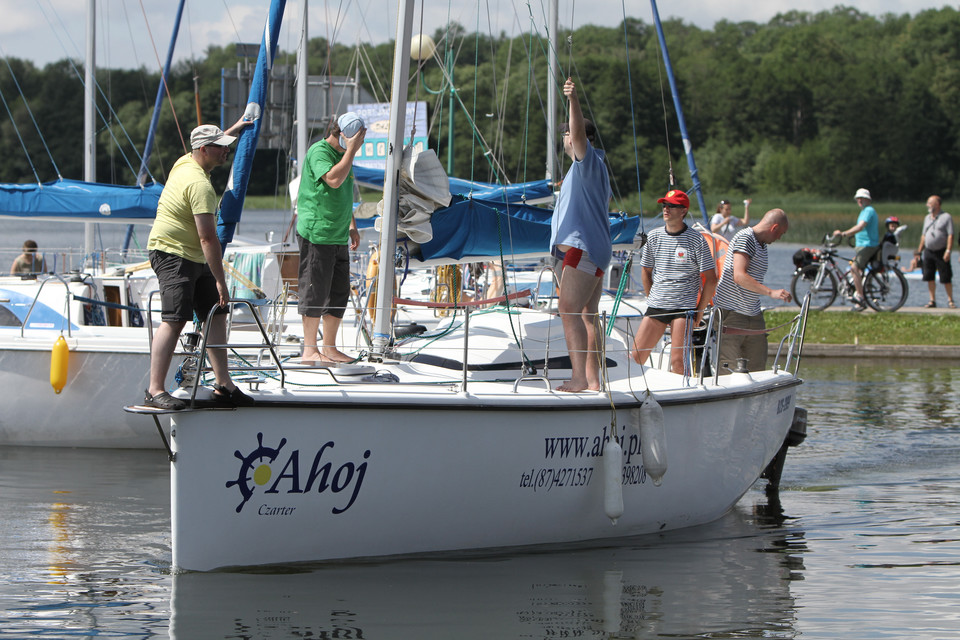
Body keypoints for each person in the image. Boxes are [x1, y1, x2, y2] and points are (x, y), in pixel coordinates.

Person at [144, 120, 254, 411]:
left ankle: (223, 384)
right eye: (222, 148)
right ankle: (154, 390)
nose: (226, 152)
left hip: (192, 254)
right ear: (204, 150)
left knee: (215, 312)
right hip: (172, 253)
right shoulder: (199, 184)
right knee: (175, 319)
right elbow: (208, 237)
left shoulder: (185, 161)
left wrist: (236, 128)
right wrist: (220, 279)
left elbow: (209, 141)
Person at [550, 78, 612, 393]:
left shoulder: (586, 162)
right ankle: (593, 381)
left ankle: (578, 379)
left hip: (580, 250)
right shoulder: (595, 167)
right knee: (587, 316)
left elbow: (577, 136)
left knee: (568, 309)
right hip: (595, 251)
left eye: (566, 134)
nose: (565, 138)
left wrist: (573, 101)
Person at [296, 112, 365, 363]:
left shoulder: (345, 156)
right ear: (341, 134)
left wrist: (352, 225)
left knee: (338, 292)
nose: (359, 144)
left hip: (338, 233)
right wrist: (352, 150)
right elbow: (334, 180)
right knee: (315, 290)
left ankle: (329, 347)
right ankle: (309, 349)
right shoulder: (319, 152)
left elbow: (344, 195)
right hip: (317, 233)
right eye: (357, 139)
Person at [631, 189, 717, 375]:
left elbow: (711, 279)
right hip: (657, 305)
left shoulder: (696, 240)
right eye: (664, 205)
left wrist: (699, 312)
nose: (666, 209)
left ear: (683, 211)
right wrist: (651, 297)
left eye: (671, 206)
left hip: (684, 307)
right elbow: (646, 271)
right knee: (635, 358)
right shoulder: (654, 236)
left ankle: (683, 396)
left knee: (678, 362)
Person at [713, 209, 791, 374]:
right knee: (729, 370)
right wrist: (771, 293)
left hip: (753, 313)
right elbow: (739, 275)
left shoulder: (762, 245)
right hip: (731, 313)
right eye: (780, 234)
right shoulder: (745, 238)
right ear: (774, 227)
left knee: (757, 369)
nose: (779, 239)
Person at [832, 188, 879, 312]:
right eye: (857, 198)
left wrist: (844, 234)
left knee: (854, 268)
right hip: (862, 245)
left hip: (868, 245)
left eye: (861, 198)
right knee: (858, 270)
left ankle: (860, 297)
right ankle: (859, 300)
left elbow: (860, 226)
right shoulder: (864, 211)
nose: (859, 200)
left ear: (867, 199)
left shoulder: (869, 210)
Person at [917, 195, 954, 308]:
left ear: (937, 204)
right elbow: (923, 236)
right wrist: (919, 252)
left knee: (946, 276)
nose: (927, 205)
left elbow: (950, 235)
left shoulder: (946, 217)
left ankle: (950, 300)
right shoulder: (927, 218)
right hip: (928, 251)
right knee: (929, 276)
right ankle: (932, 300)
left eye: (930, 203)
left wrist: (948, 251)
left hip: (941, 251)